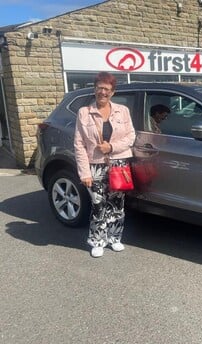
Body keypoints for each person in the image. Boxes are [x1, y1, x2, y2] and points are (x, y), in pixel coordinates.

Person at [74, 72, 136, 258]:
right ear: (94, 89)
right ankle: (98, 240)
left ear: (113, 92)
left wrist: (111, 147)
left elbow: (131, 136)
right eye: (99, 88)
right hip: (95, 166)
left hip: (118, 163)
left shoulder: (122, 111)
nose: (103, 92)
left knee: (117, 203)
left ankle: (115, 238)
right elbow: (79, 144)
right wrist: (84, 172)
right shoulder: (84, 113)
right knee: (98, 204)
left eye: (107, 89)